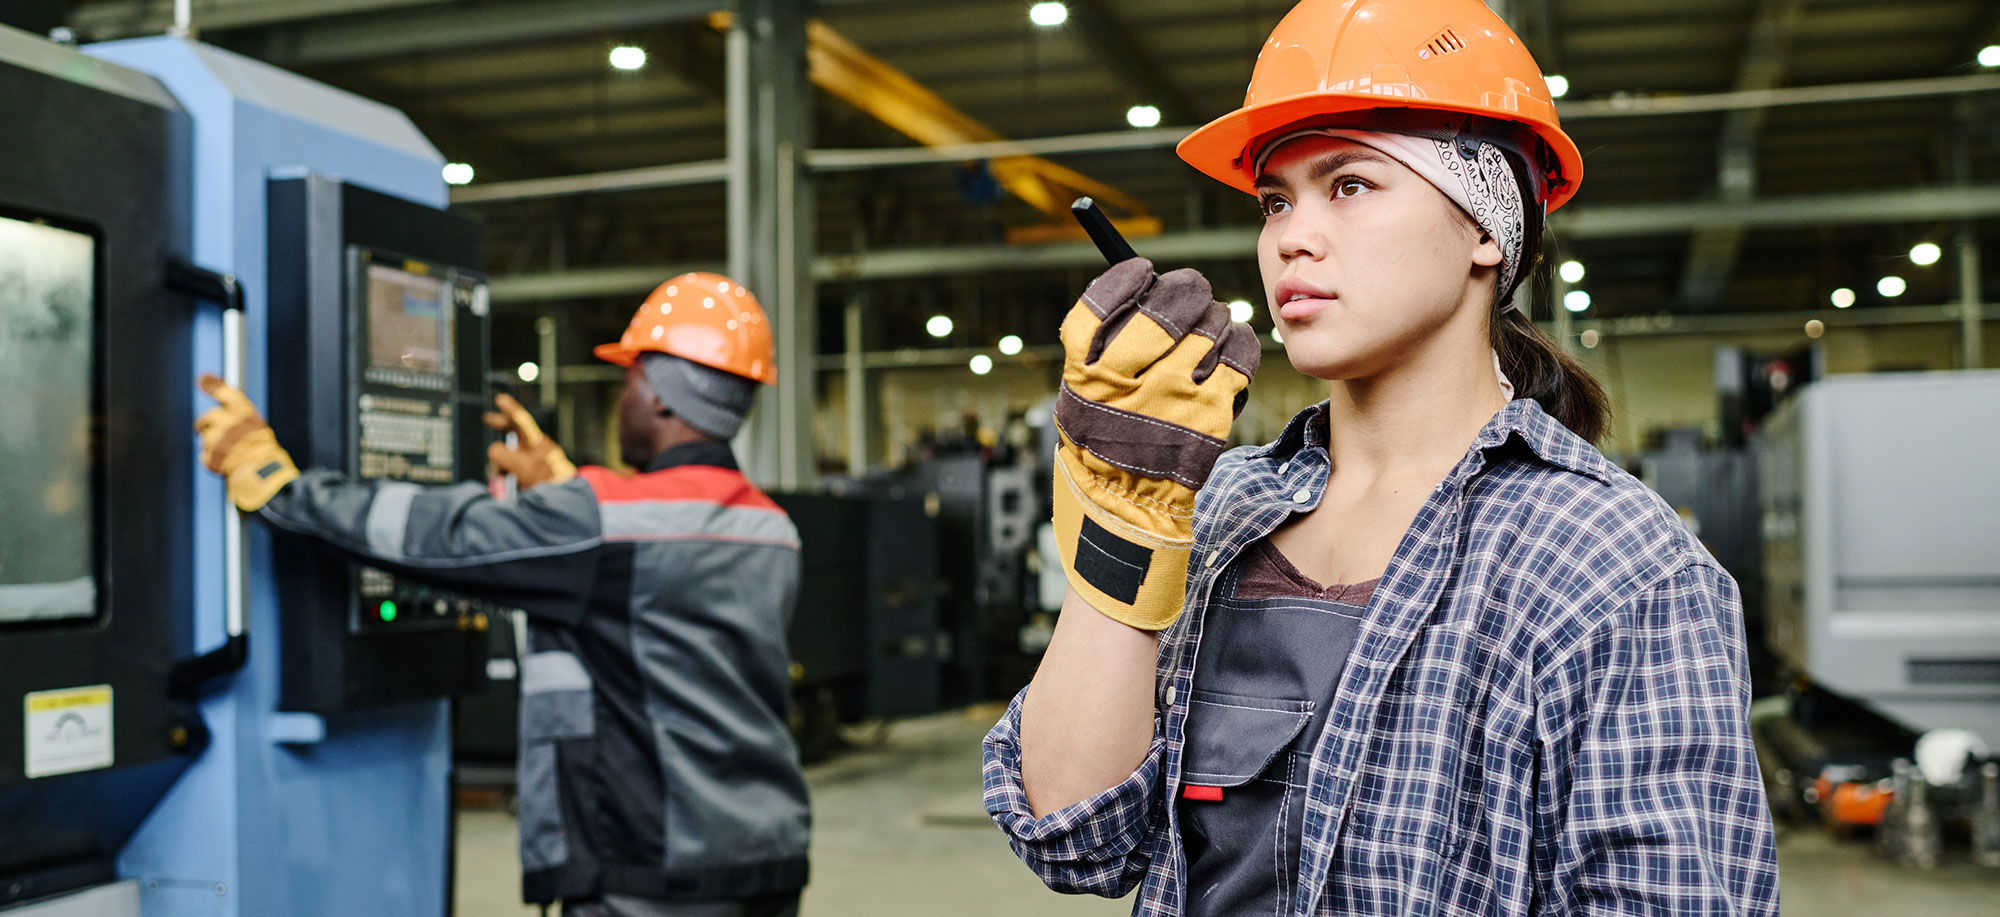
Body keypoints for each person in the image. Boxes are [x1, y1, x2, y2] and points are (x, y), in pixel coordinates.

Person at [982, 1, 1780, 915]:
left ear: (1487, 227)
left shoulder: (1615, 566)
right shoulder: (1223, 510)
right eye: (1275, 200)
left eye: (1350, 185)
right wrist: (1127, 519)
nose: (1291, 235)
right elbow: (1075, 835)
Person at [195, 272, 810, 917]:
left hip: (653, 870)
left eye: (629, 381)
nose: (622, 399)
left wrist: (279, 483)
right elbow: (653, 600)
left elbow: (440, 536)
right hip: (766, 856)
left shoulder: (599, 522)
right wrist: (561, 496)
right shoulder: (770, 528)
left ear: (659, 396)